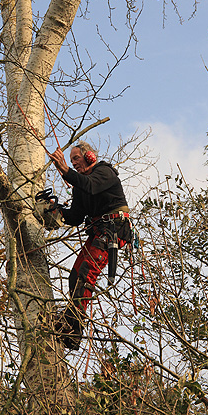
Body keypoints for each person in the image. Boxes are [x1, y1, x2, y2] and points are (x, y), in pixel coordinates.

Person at [49, 141, 132, 350]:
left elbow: (92, 185)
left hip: (113, 229)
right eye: (71, 161)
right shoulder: (80, 187)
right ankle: (72, 327)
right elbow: (76, 217)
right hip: (98, 232)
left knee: (86, 272)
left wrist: (66, 171)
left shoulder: (104, 172)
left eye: (76, 158)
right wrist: (54, 212)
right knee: (76, 274)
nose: (74, 163)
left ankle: (72, 326)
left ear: (90, 157)